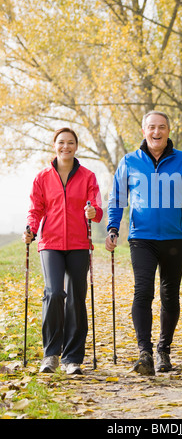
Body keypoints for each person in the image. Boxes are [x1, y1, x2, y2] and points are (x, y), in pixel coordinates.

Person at [105, 111, 182, 375]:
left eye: (162, 127)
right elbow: (117, 198)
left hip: (175, 237)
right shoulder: (129, 161)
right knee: (143, 291)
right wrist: (112, 228)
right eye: (152, 127)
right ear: (144, 130)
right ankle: (145, 352)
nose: (157, 132)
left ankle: (164, 350)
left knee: (169, 294)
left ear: (168, 131)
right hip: (141, 237)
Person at [22, 127, 103, 375]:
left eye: (70, 143)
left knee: (77, 299)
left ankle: (72, 358)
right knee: (54, 293)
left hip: (79, 244)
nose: (65, 147)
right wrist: (30, 229)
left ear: (76, 147)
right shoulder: (42, 177)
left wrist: (93, 212)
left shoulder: (88, 176)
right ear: (54, 145)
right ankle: (51, 355)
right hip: (51, 244)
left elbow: (97, 209)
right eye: (61, 142)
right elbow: (35, 210)